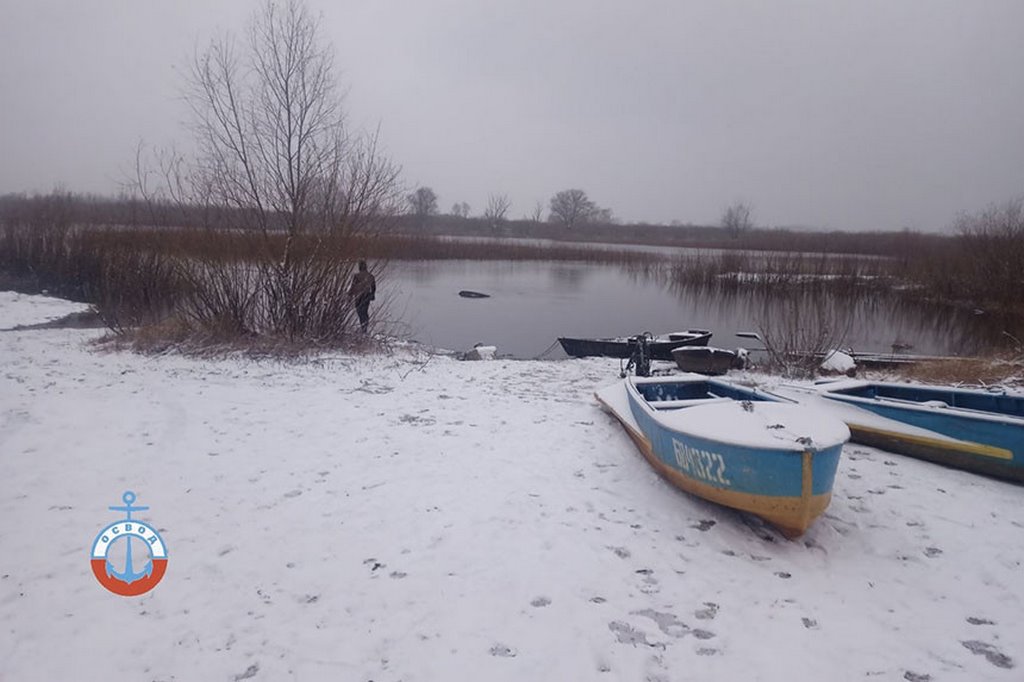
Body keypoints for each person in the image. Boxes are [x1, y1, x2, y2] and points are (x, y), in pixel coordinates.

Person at [349, 260, 376, 333]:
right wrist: (372, 295)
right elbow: (373, 287)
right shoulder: (371, 276)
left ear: (359, 267)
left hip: (358, 297)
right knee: (365, 312)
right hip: (367, 296)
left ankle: (363, 328)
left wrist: (349, 294)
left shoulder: (356, 276)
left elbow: (353, 286)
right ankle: (365, 328)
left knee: (360, 312)